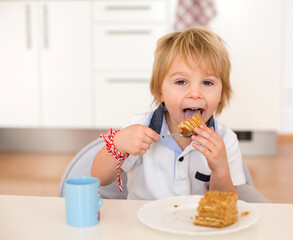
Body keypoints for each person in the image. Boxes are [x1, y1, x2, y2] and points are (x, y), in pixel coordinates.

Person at [91, 27, 248, 200]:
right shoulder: (139, 128)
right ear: (161, 92)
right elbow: (99, 178)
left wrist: (220, 169)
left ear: (221, 94)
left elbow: (226, 203)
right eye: (181, 81)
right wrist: (118, 144)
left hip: (195, 224)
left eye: (207, 82)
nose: (195, 93)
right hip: (143, 222)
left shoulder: (225, 140)